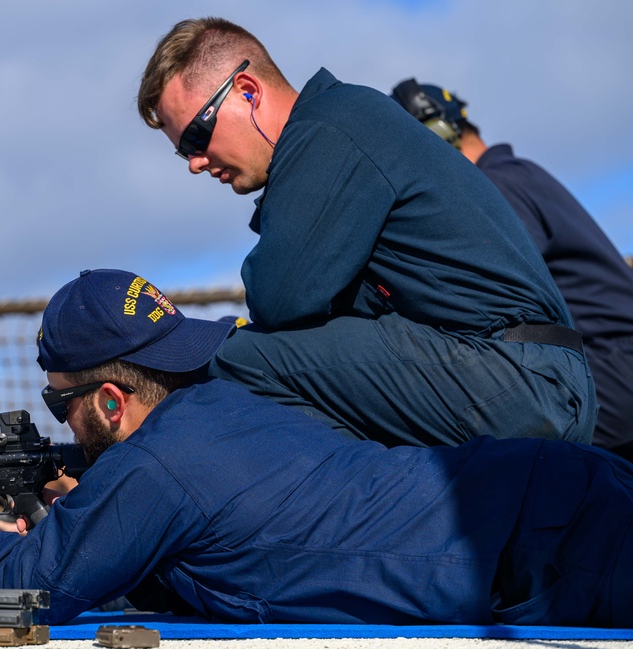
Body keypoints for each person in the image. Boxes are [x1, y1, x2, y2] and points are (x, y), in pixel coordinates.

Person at [0, 268, 633, 627]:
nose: (61, 418)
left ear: (112, 401)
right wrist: (87, 510)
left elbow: (33, 593)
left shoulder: (157, 466)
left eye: (64, 403)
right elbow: (231, 544)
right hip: (556, 500)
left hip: (547, 546)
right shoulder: (228, 404)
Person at [135, 17, 596, 449]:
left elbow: (278, 299)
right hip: (531, 377)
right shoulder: (340, 124)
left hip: (523, 380)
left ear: (247, 91)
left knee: (241, 358)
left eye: (197, 136)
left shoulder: (326, 130)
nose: (195, 162)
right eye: (183, 153)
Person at [391, 78, 633, 460]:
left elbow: (490, 293)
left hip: (609, 372)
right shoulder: (517, 173)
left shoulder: (496, 186)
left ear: (436, 136)